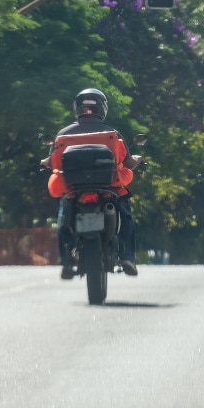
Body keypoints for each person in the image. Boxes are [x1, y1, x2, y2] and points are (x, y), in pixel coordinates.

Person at [44, 88, 142, 279]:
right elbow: (128, 163)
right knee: (127, 216)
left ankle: (66, 261)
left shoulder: (63, 135)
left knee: (64, 219)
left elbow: (53, 162)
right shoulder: (112, 133)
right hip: (108, 188)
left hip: (74, 190)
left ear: (76, 108)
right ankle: (128, 258)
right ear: (103, 108)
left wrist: (43, 162)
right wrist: (138, 159)